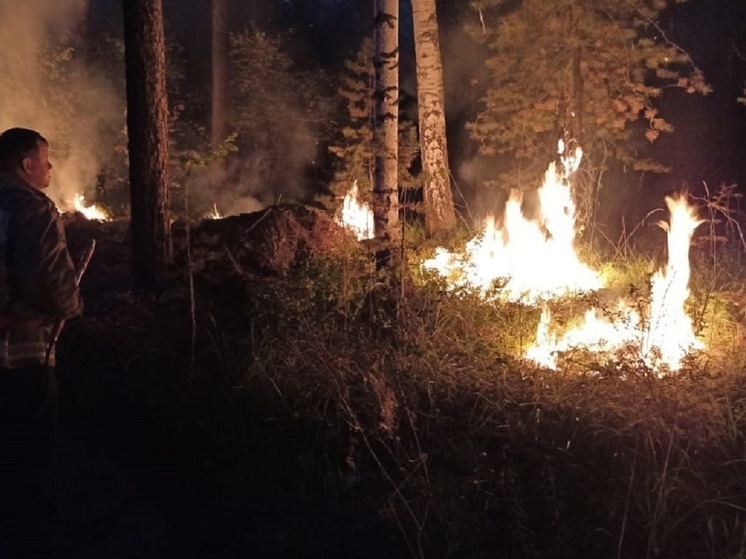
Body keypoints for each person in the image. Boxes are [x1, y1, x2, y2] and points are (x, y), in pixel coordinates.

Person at [0, 127, 82, 554]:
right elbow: (52, 281)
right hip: (23, 350)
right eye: (45, 159)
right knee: (30, 442)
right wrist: (69, 307)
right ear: (25, 165)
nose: (49, 167)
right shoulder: (32, 209)